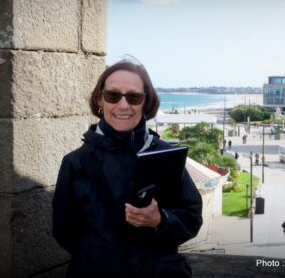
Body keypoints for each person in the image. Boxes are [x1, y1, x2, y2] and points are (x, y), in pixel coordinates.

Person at [52, 58, 203, 278]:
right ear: (100, 99)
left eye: (133, 97)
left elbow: (192, 216)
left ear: (145, 102)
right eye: (113, 95)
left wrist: (160, 219)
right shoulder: (75, 163)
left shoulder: (165, 156)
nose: (123, 105)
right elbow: (63, 231)